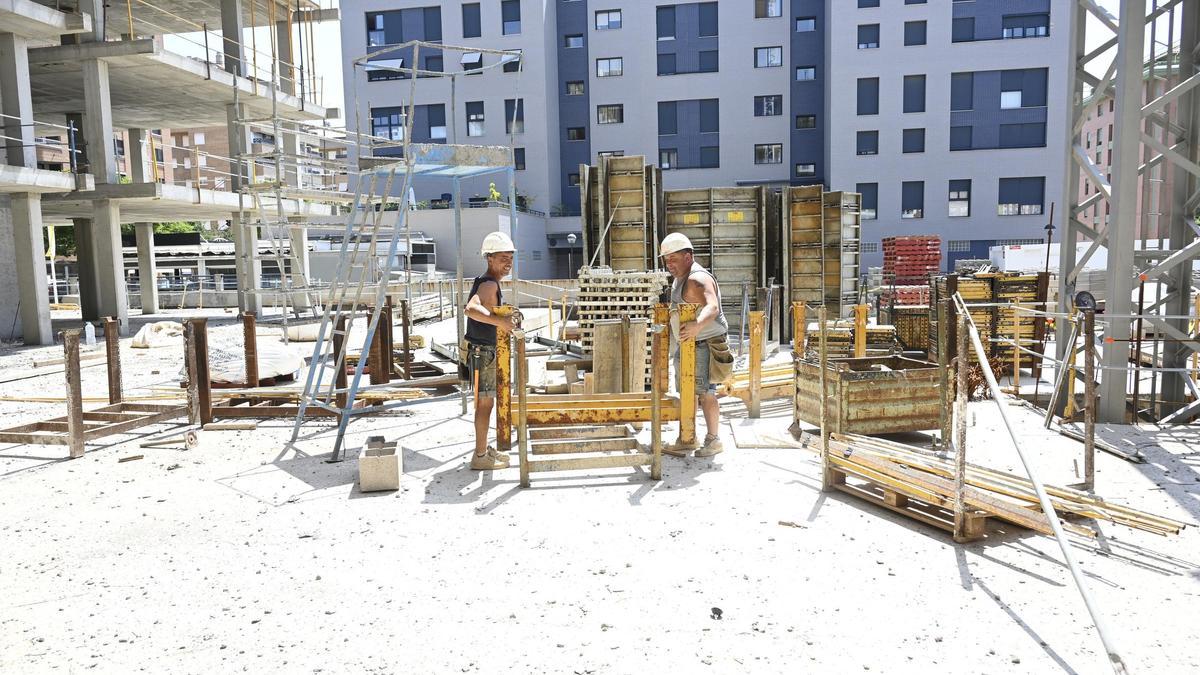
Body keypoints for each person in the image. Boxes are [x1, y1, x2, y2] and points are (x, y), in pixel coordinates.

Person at [660, 233, 730, 457]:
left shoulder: (696, 278)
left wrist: (696, 326)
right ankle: (687, 437)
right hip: (690, 343)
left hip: (705, 343)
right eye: (666, 259)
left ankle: (714, 440)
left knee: (706, 393)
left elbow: (712, 306)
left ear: (688, 256)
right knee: (687, 392)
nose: (669, 264)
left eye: (674, 259)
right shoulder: (681, 276)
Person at [463, 231, 517, 470]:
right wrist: (501, 323)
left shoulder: (487, 282)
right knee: (485, 405)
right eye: (503, 257)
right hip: (484, 354)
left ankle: (484, 450)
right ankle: (480, 456)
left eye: (511, 258)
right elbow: (471, 309)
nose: (508, 263)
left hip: (484, 352)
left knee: (486, 404)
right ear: (490, 259)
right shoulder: (488, 283)